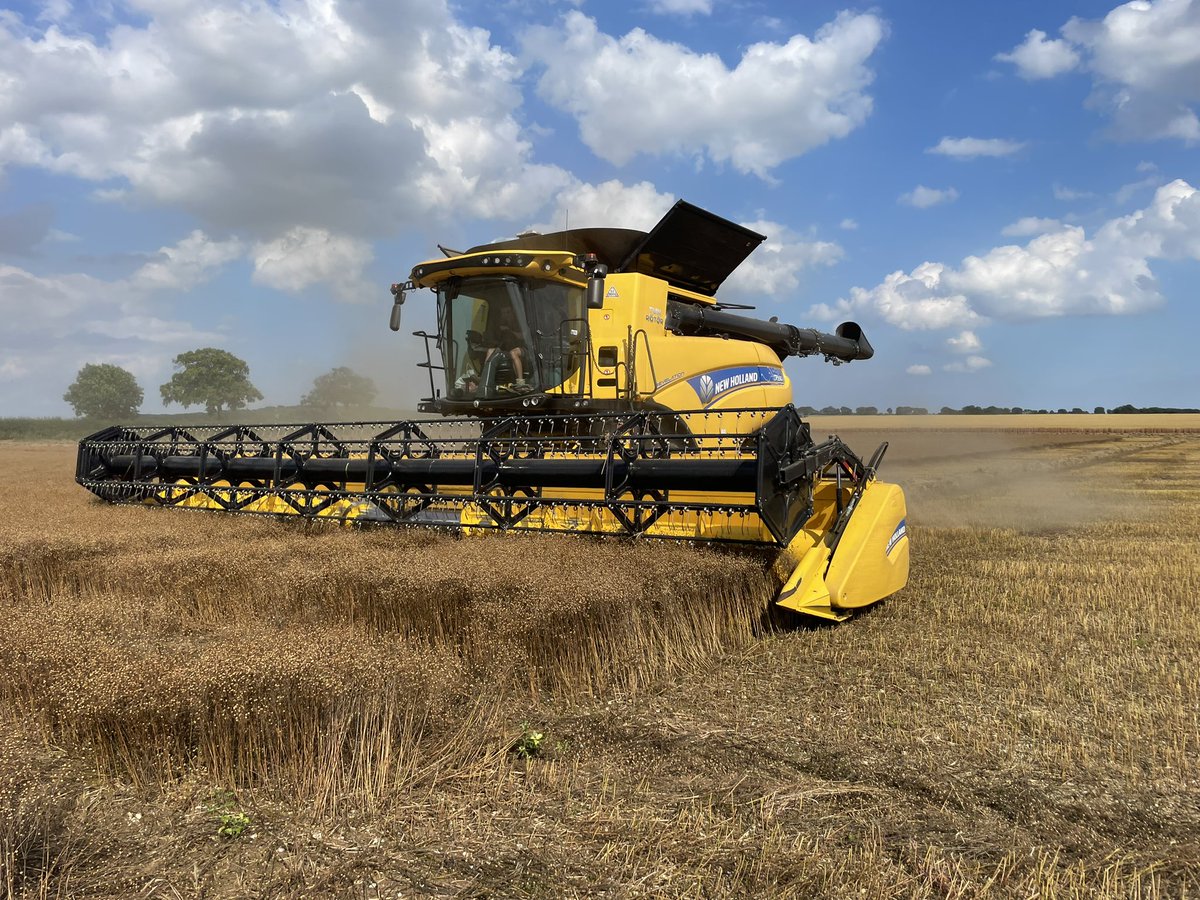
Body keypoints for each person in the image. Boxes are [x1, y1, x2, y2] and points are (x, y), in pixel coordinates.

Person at [483, 305, 532, 393]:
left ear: (513, 313)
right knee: (490, 351)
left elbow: (523, 336)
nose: (506, 315)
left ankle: (520, 383)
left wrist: (509, 330)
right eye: (504, 313)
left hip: (524, 349)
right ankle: (484, 378)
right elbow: (497, 340)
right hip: (506, 350)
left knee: (514, 353)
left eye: (508, 312)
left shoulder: (519, 323)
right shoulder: (500, 326)